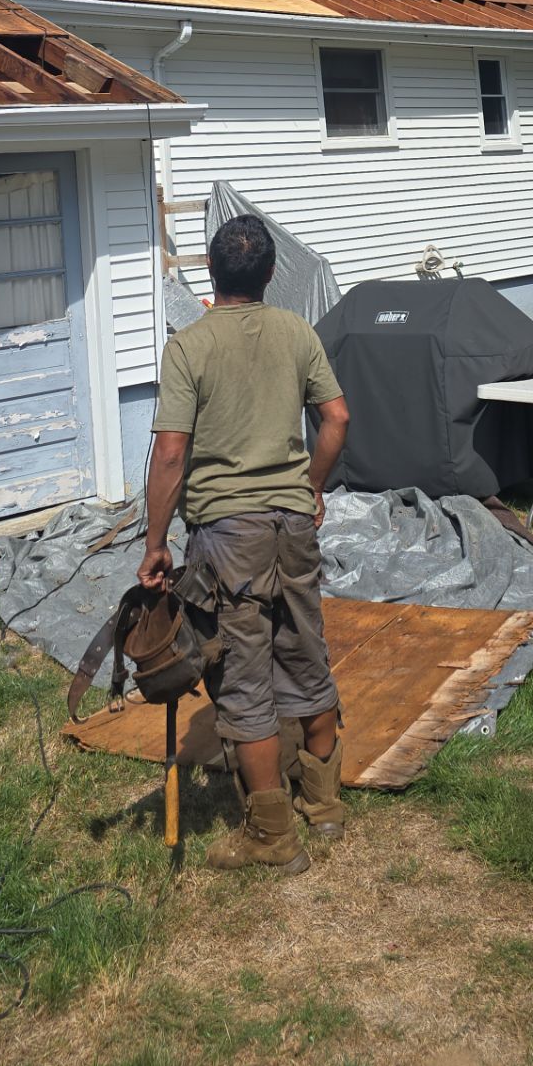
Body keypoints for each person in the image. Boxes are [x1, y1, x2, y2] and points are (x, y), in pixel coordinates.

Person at [138, 213, 350, 874]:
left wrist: (155, 541)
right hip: (291, 526)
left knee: (242, 681)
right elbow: (336, 419)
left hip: (229, 536)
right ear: (267, 274)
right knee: (306, 652)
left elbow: (172, 452)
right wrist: (312, 486)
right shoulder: (296, 331)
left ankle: (272, 836)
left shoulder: (188, 346)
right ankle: (325, 807)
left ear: (211, 271)